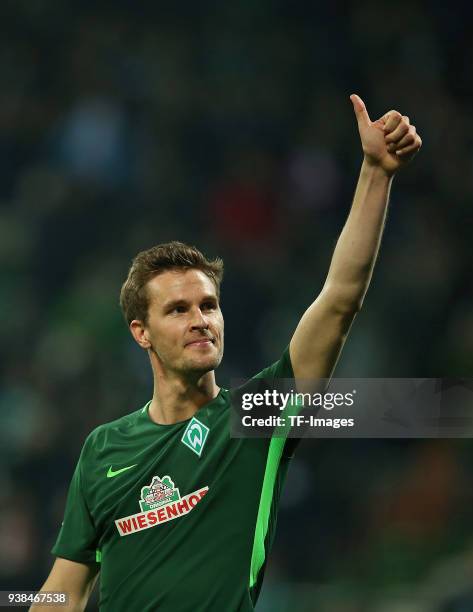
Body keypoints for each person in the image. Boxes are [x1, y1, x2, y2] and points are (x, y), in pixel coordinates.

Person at [32, 95, 421, 611]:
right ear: (140, 333)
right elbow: (64, 591)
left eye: (209, 305)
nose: (200, 319)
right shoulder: (104, 449)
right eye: (177, 310)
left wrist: (376, 173)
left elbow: (339, 302)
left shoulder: (256, 417)